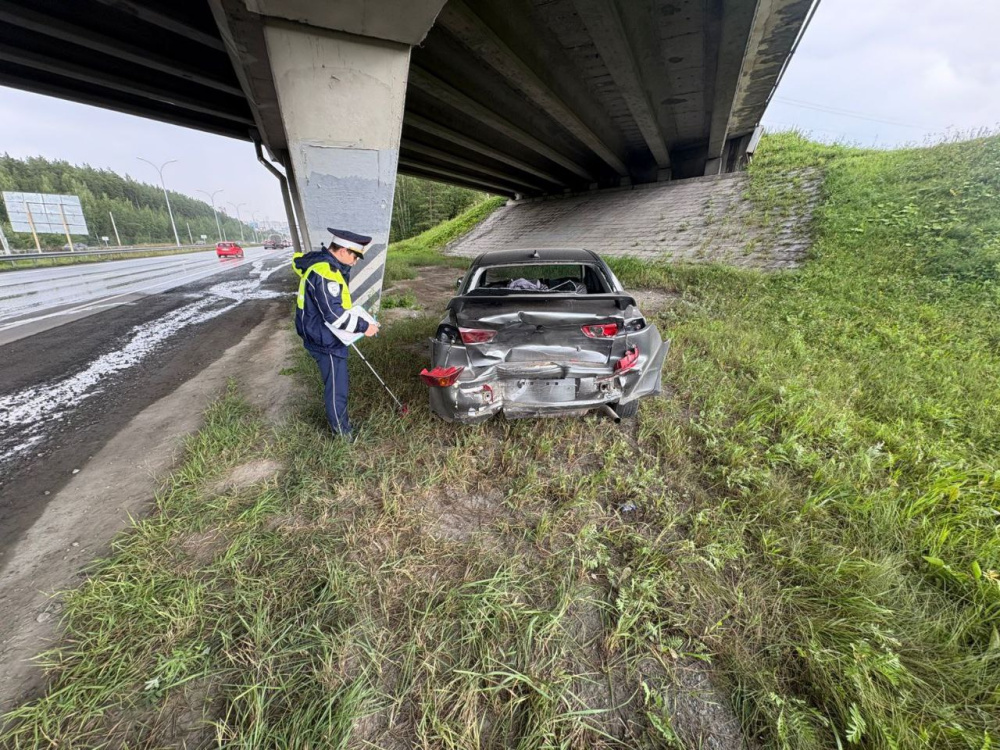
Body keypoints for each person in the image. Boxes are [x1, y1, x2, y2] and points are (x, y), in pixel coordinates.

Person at [294, 228, 380, 439]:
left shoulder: (324, 266)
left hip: (322, 334)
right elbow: (335, 316)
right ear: (342, 250)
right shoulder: (326, 273)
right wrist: (364, 326)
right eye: (354, 255)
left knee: (336, 383)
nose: (355, 260)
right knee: (336, 387)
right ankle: (342, 433)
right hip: (326, 339)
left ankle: (342, 424)